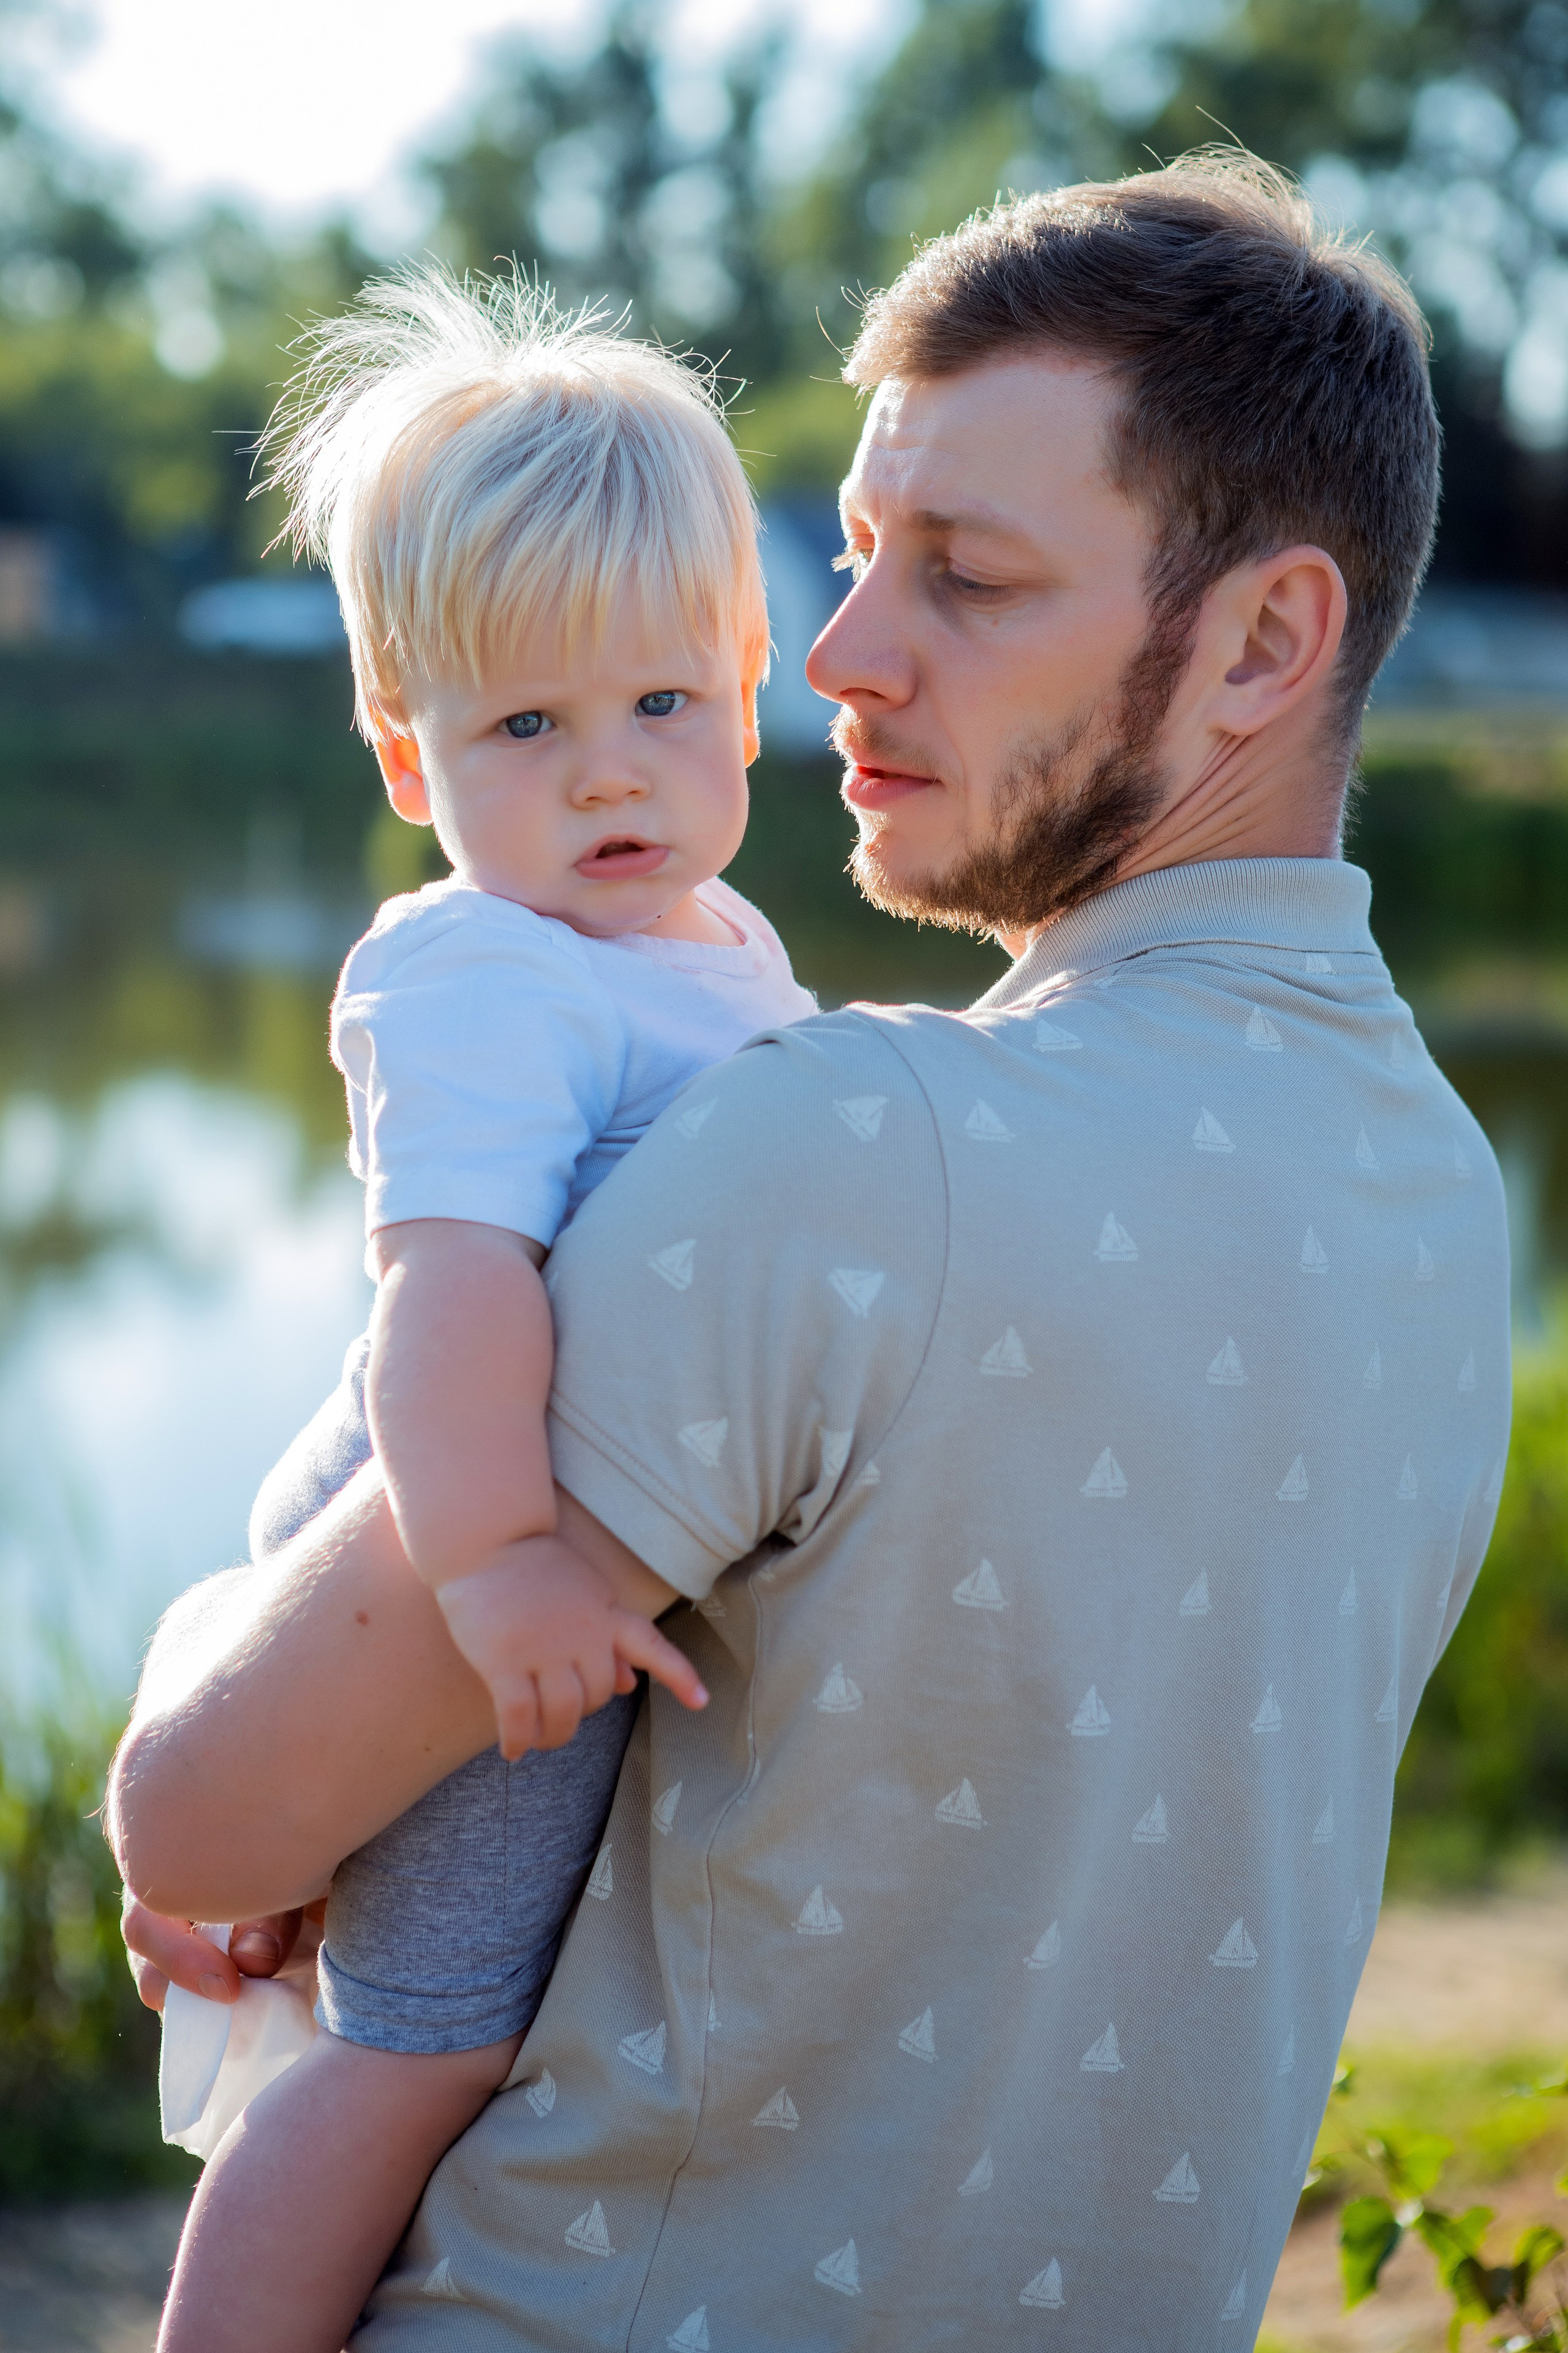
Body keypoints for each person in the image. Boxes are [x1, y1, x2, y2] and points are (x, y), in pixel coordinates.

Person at [114, 152, 1511, 2347]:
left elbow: (201, 1828)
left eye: (961, 576)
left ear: (1265, 640)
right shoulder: (1444, 1197)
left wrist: (220, 1702)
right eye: (855, 556)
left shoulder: (851, 1144)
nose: (836, 655)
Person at [151, 273, 815, 2353]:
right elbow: (449, 1296)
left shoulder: (712, 933)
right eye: (524, 727)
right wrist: (502, 1568)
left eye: (660, 707)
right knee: (413, 2038)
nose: (608, 777)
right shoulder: (483, 971)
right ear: (403, 751)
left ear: (749, 672)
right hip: (450, 1532)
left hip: (527, 1547)